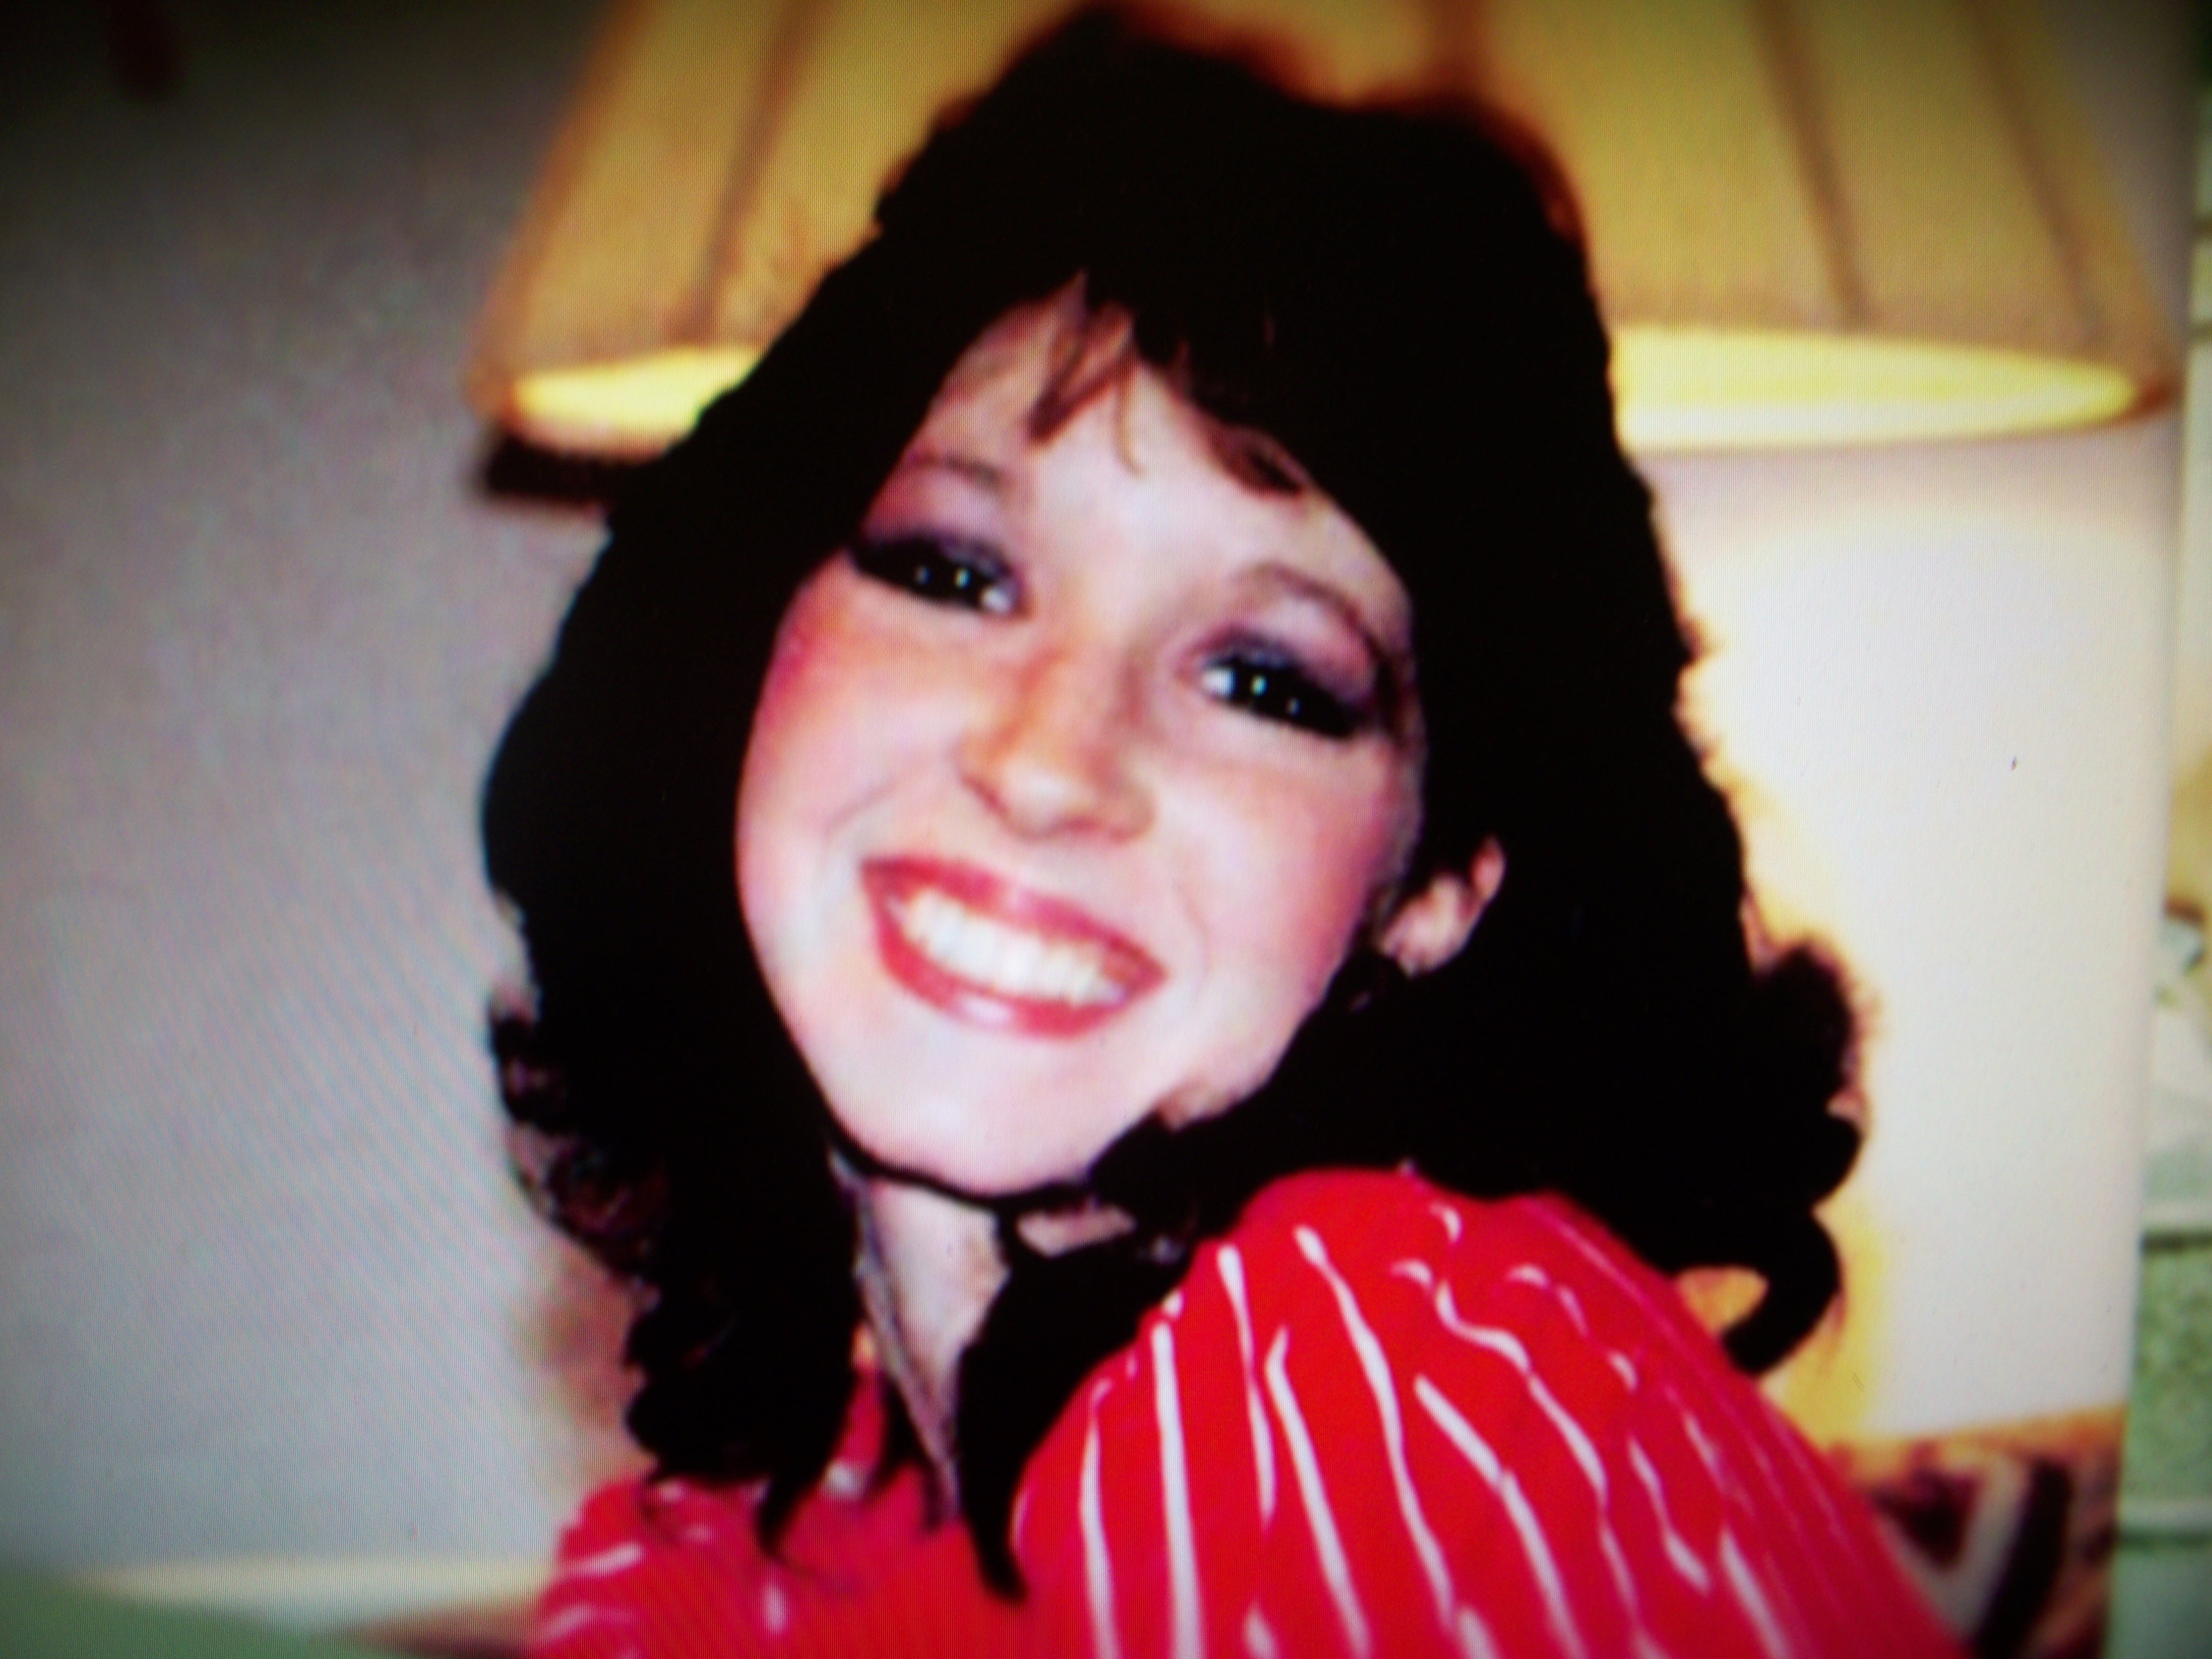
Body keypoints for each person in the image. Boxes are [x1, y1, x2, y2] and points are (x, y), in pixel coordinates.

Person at [482, 13, 1960, 1657]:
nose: (1048, 763)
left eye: (1262, 678)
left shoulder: (1374, 1385)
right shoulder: (737, 1552)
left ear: (1439, 885)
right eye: (955, 574)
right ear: (752, 638)